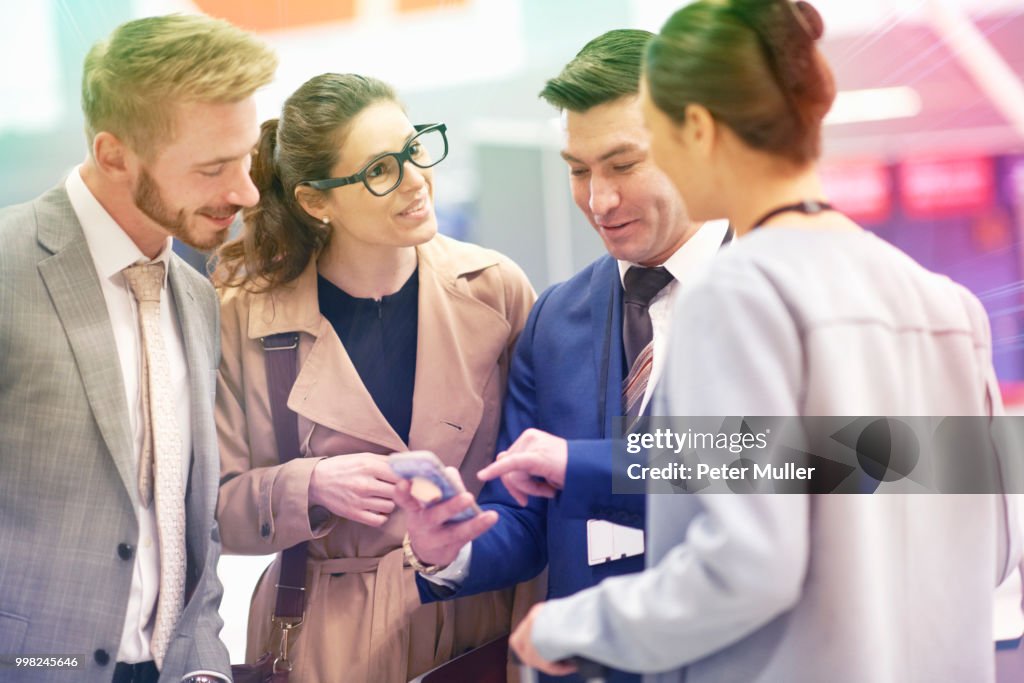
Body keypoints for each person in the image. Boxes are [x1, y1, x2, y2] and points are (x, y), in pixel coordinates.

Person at [510, 2, 1022, 682]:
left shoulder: (736, 296)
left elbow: (749, 562)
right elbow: (990, 550)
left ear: (695, 127)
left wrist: (574, 625)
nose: (604, 197)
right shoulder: (947, 306)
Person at [394, 30, 729, 683]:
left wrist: (583, 462)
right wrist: (449, 549)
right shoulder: (555, 319)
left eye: (624, 165)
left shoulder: (782, 294)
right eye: (579, 170)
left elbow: (812, 461)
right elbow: (526, 518)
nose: (599, 201)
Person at [213, 72, 536, 683]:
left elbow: (535, 487)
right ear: (316, 202)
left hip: (477, 629)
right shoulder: (242, 316)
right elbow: (206, 509)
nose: (417, 182)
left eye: (415, 150)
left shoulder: (497, 289)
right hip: (321, 640)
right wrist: (309, 485)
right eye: (380, 171)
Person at [0, 14, 276, 683]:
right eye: (213, 167)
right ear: (114, 153)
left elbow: (187, 519)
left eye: (245, 159)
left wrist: (203, 665)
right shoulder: (7, 269)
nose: (245, 192)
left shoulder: (194, 294)